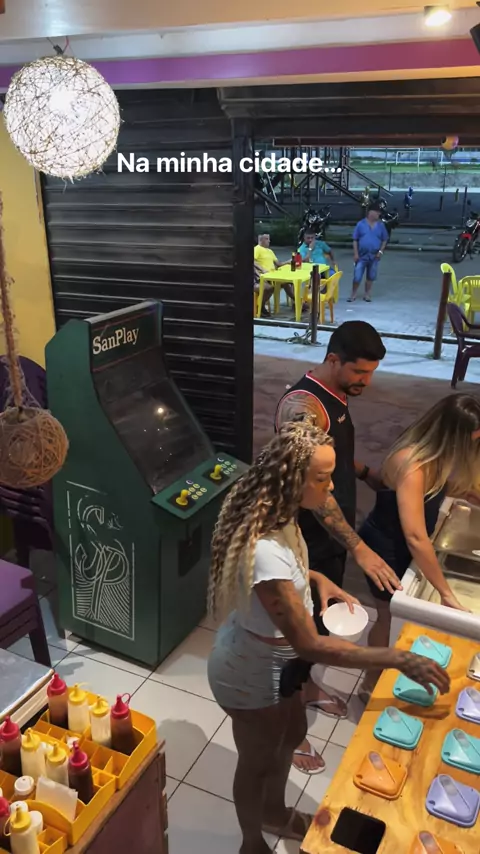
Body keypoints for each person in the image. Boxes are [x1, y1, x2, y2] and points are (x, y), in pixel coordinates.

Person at [207, 419, 450, 854]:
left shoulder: (283, 516)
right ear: (292, 481)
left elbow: (290, 574)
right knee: (258, 760)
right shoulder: (266, 549)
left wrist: (318, 580)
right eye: (322, 479)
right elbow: (311, 644)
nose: (331, 488)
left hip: (280, 663)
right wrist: (396, 659)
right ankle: (250, 841)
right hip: (250, 671)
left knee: (292, 732)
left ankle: (275, 812)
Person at [275, 321, 401, 774]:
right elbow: (312, 486)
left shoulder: (337, 394)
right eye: (359, 372)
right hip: (307, 538)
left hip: (330, 538)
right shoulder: (303, 407)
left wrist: (364, 473)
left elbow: (332, 456)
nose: (366, 381)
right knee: (298, 636)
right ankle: (289, 733)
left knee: (321, 625)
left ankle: (308, 687)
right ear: (333, 360)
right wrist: (360, 546)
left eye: (371, 373)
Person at [358, 393, 480, 701]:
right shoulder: (412, 464)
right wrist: (446, 593)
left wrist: (468, 494)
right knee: (387, 616)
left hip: (406, 543)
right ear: (451, 437)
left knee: (396, 617)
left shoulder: (439, 456)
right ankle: (370, 683)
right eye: (472, 441)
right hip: (386, 547)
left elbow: (437, 491)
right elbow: (415, 536)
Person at [349, 201, 389, 303]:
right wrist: (356, 253)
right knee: (357, 276)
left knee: (371, 276)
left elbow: (384, 239)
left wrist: (380, 251)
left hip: (374, 256)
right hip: (361, 256)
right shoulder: (360, 224)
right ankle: (353, 294)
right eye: (377, 212)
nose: (379, 214)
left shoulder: (381, 225)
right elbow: (355, 240)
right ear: (371, 212)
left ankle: (367, 294)